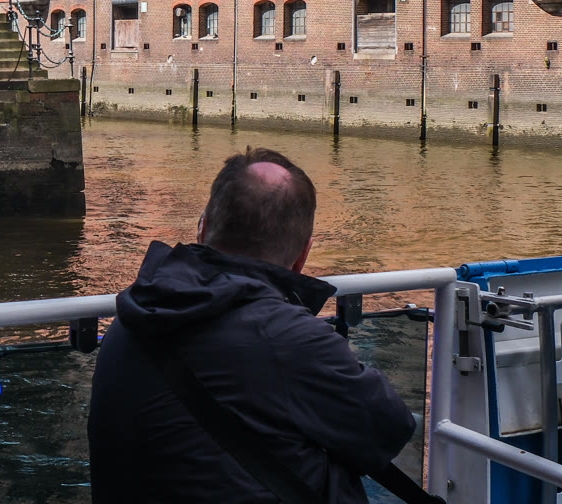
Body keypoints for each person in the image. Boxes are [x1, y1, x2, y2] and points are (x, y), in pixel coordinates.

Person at [88, 148, 416, 503]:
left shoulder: (132, 314)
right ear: (303, 255)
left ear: (202, 228)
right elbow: (390, 428)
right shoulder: (292, 339)